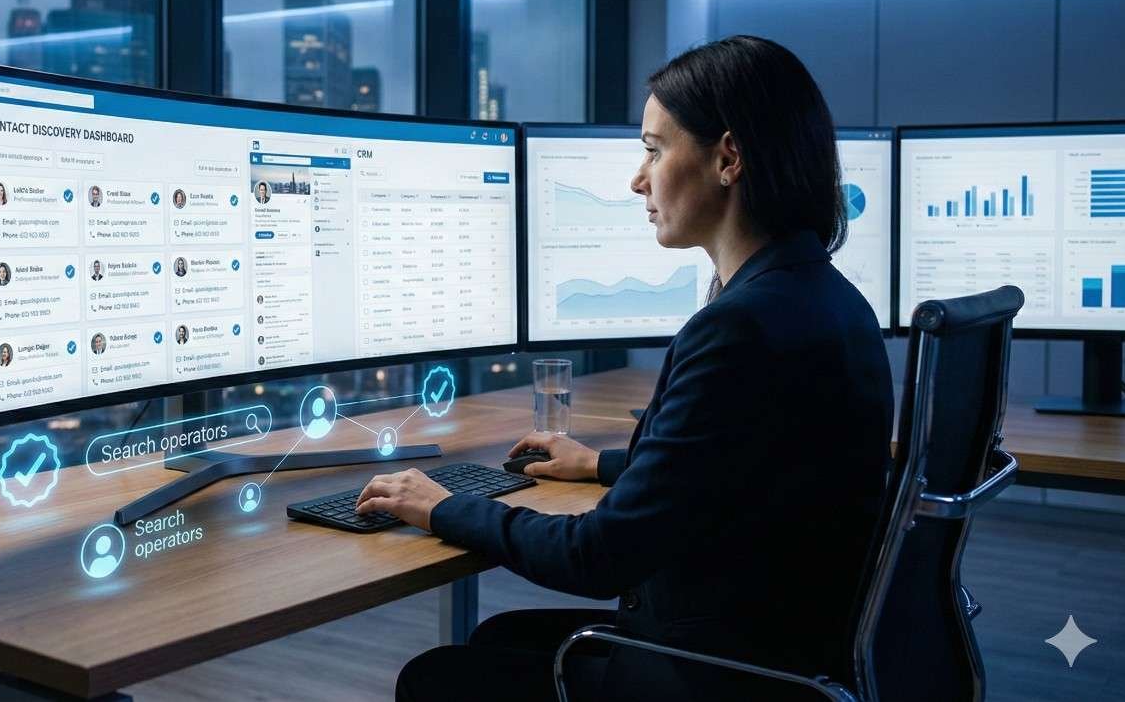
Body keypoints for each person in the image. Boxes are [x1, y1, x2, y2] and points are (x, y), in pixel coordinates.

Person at [359, 36, 894, 702]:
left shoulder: (742, 326)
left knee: (434, 679)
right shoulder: (826, 296)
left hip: (717, 671)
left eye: (654, 148)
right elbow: (744, 468)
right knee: (496, 641)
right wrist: (601, 465)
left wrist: (444, 507)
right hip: (784, 645)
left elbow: (600, 554)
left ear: (728, 157)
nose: (638, 178)